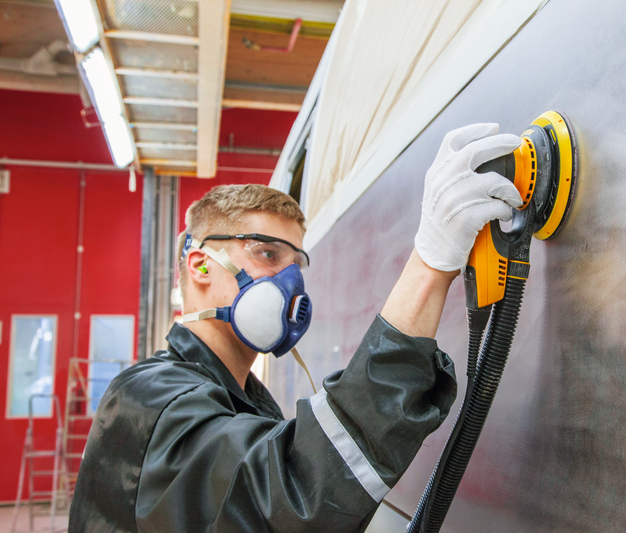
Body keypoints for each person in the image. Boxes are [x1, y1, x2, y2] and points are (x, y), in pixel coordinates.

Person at [69, 123, 523, 532]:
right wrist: (429, 265)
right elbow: (290, 497)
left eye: (296, 263)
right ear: (201, 265)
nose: (290, 284)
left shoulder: (242, 397)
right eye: (267, 254)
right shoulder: (151, 398)